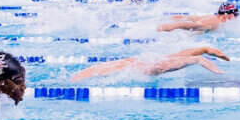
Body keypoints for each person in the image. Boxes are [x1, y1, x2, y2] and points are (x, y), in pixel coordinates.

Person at [71, 46, 231, 81]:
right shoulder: (166, 62)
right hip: (147, 65)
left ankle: (75, 79)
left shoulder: (172, 56)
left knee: (99, 70)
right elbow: (200, 57)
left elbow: (203, 53)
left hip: (142, 63)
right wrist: (220, 72)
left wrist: (221, 58)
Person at [159, 0, 240, 33]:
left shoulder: (212, 17)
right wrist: (170, 26)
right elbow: (192, 25)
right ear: (226, 15)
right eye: (235, 15)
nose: (235, 18)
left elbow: (189, 18)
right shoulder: (215, 22)